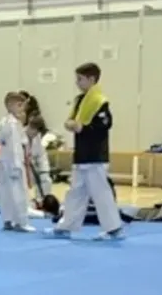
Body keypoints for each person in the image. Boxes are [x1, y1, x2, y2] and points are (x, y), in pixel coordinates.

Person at [49, 62, 125, 240]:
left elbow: (104, 125)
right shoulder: (79, 101)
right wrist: (70, 124)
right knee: (75, 192)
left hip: (95, 155)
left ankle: (113, 228)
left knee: (101, 193)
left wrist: (82, 128)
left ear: (92, 79)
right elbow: (74, 121)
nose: (77, 82)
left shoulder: (100, 101)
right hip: (81, 154)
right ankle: (66, 226)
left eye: (80, 79)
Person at [0, 92, 35, 232]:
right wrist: (17, 164)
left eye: (23, 106)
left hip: (5, 161)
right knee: (19, 192)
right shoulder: (11, 123)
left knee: (6, 191)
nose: (22, 109)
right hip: (13, 161)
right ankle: (21, 222)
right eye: (19, 105)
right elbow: (14, 145)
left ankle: (8, 219)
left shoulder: (6, 121)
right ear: (10, 105)